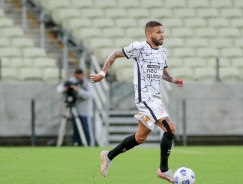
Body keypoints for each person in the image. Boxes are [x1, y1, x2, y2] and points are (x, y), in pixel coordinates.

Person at [90, 21, 184, 183]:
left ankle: (108, 155)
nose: (162, 35)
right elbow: (114, 54)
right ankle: (164, 170)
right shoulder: (139, 47)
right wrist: (102, 74)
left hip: (156, 100)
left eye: (162, 32)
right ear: (148, 34)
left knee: (140, 138)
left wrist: (173, 80)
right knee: (170, 128)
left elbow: (162, 72)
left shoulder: (162, 51)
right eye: (158, 32)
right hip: (144, 99)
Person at [57, 68, 94, 146]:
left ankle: (89, 145)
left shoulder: (87, 83)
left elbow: (90, 95)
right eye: (76, 77)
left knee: (86, 131)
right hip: (75, 110)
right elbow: (59, 88)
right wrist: (64, 89)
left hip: (85, 112)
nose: (77, 79)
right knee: (76, 131)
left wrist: (78, 91)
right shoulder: (72, 81)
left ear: (82, 75)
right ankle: (77, 144)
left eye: (79, 77)